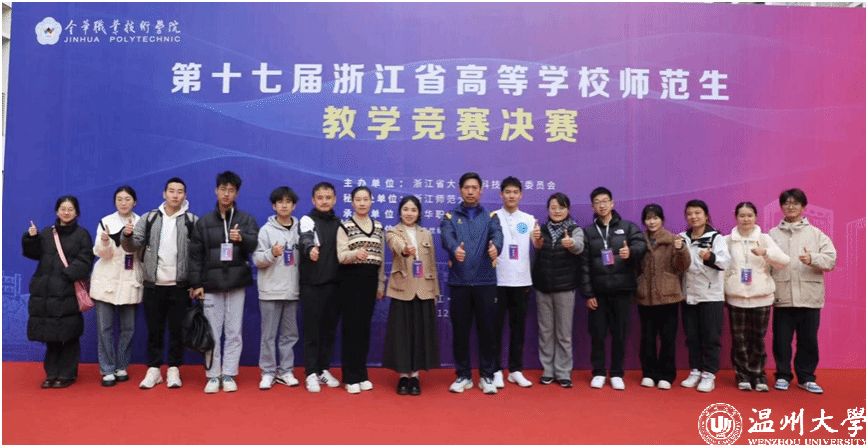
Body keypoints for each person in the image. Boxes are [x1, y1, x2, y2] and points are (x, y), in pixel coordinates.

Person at [122, 177, 197, 389]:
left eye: (179, 191)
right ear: (164, 194)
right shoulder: (149, 218)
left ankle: (174, 369)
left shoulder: (192, 220)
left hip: (180, 286)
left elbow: (198, 254)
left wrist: (195, 282)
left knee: (177, 331)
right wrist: (126, 236)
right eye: (171, 191)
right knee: (154, 331)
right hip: (153, 285)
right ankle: (153, 370)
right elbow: (131, 246)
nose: (175, 195)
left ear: (185, 195)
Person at [189, 171, 259, 394]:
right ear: (216, 191)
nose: (226, 194)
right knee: (211, 332)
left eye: (231, 190)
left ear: (237, 193)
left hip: (236, 284)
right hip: (210, 286)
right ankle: (212, 375)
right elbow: (195, 256)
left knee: (234, 332)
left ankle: (228, 373)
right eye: (223, 189)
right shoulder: (204, 222)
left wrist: (242, 239)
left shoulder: (246, 219)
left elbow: (255, 245)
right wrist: (196, 284)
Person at [440, 172, 503, 394]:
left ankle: (487, 376)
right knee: (460, 331)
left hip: (486, 282)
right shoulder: (450, 217)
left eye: (474, 188)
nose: (470, 191)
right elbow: (446, 237)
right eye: (466, 187)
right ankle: (463, 375)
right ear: (460, 190)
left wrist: (496, 246)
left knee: (487, 331)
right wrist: (454, 248)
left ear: (481, 191)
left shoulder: (491, 217)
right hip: (461, 282)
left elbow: (498, 235)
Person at [769, 189, 836, 394]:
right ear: (781, 207)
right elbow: (765, 263)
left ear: (803, 207)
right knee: (781, 341)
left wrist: (813, 258)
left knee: (808, 341)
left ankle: (806, 377)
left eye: (795, 203)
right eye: (786, 203)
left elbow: (831, 260)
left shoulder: (816, 233)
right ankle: (783, 375)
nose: (790, 206)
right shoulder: (772, 235)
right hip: (782, 295)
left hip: (809, 296)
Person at [22, 195, 94, 388]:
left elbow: (86, 259)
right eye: (63, 209)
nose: (66, 212)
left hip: (68, 291)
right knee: (50, 335)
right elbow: (33, 253)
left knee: (69, 333)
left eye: (70, 209)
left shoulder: (82, 234)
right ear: (57, 211)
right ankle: (52, 373)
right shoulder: (47, 233)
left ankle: (68, 374)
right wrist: (31, 238)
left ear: (76, 212)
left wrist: (66, 275)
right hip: (46, 293)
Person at [579, 187, 646, 391]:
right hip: (598, 293)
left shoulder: (627, 227)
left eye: (605, 201)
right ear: (593, 206)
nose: (602, 205)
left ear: (612, 203)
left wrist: (631, 251)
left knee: (620, 334)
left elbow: (641, 245)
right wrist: (588, 293)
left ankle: (617, 373)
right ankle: (599, 372)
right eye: (597, 202)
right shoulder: (588, 232)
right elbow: (584, 265)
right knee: (598, 334)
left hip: (622, 290)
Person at [724, 202, 790, 392]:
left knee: (757, 339)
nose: (746, 219)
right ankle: (742, 374)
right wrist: (726, 289)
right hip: (736, 297)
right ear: (736, 217)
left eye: (750, 215)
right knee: (739, 339)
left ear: (756, 217)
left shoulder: (764, 238)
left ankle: (758, 374)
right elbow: (723, 269)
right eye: (742, 215)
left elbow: (784, 261)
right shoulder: (728, 240)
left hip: (761, 297)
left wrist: (766, 252)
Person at [383, 196, 441, 396]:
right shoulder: (392, 232)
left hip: (424, 290)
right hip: (402, 290)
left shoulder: (426, 234)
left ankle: (415, 375)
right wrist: (405, 249)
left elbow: (431, 263)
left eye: (413, 210)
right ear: (400, 212)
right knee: (401, 335)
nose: (409, 213)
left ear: (419, 213)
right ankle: (402, 376)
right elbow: (396, 245)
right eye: (406, 209)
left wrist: (435, 291)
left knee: (419, 334)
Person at [336, 186, 387, 394]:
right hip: (350, 280)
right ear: (352, 203)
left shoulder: (378, 227)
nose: (362, 203)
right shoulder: (345, 226)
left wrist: (381, 283)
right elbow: (341, 256)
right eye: (358, 199)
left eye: (366, 199)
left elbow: (382, 258)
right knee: (351, 329)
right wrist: (355, 254)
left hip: (370, 280)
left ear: (371, 202)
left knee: (364, 329)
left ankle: (362, 373)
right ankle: (350, 377)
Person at [91, 186, 143, 387]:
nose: (123, 203)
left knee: (128, 328)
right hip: (106, 280)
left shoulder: (141, 223)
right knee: (105, 328)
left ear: (134, 202)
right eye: (119, 199)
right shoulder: (106, 222)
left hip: (130, 279)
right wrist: (105, 242)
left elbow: (142, 252)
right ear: (115, 202)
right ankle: (107, 369)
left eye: (127, 199)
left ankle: (122, 366)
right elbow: (102, 254)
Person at [634, 204, 690, 390]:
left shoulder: (674, 240)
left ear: (662, 220)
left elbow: (683, 267)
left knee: (668, 338)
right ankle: (649, 373)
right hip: (645, 296)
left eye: (655, 218)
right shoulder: (639, 240)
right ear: (644, 221)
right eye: (648, 218)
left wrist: (681, 250)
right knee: (647, 338)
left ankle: (667, 375)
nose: (652, 222)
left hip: (668, 296)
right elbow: (634, 267)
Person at [531, 192, 584, 388]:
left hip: (565, 288)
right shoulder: (541, 230)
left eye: (561, 208)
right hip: (542, 288)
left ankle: (563, 372)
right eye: (553, 208)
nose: (557, 211)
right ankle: (548, 370)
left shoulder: (575, 229)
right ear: (548, 210)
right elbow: (536, 254)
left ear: (567, 209)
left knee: (563, 334)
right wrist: (536, 242)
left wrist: (571, 244)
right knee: (545, 332)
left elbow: (579, 246)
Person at [252, 187, 302, 390]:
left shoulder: (301, 229)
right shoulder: (266, 230)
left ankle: (286, 371)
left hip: (293, 290)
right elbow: (257, 259)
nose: (284, 205)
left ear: (294, 206)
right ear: (274, 206)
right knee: (268, 336)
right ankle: (267, 372)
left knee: (290, 336)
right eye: (280, 202)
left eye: (288, 202)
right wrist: (271, 254)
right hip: (270, 291)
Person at [679, 199, 731, 393]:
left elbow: (725, 262)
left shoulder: (716, 238)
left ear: (706, 216)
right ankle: (695, 370)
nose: (693, 217)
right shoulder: (682, 238)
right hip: (689, 294)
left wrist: (711, 257)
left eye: (697, 213)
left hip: (711, 296)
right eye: (689, 214)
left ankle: (709, 374)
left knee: (711, 337)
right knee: (692, 337)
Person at [298, 181, 343, 393]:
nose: (324, 201)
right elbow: (305, 239)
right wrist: (310, 250)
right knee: (312, 332)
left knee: (328, 331)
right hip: (311, 286)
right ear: (313, 200)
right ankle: (310, 373)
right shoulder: (307, 220)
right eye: (320, 198)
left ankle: (323, 369)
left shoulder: (340, 223)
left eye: (328, 197)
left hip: (334, 286)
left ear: (334, 200)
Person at [492, 176, 536, 389]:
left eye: (515, 192)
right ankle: (496, 370)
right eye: (507, 192)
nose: (511, 196)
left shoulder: (528, 219)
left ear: (521, 195)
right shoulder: (493, 217)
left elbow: (537, 243)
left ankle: (515, 370)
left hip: (521, 281)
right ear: (501, 194)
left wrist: (539, 239)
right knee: (496, 329)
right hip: (498, 281)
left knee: (518, 328)